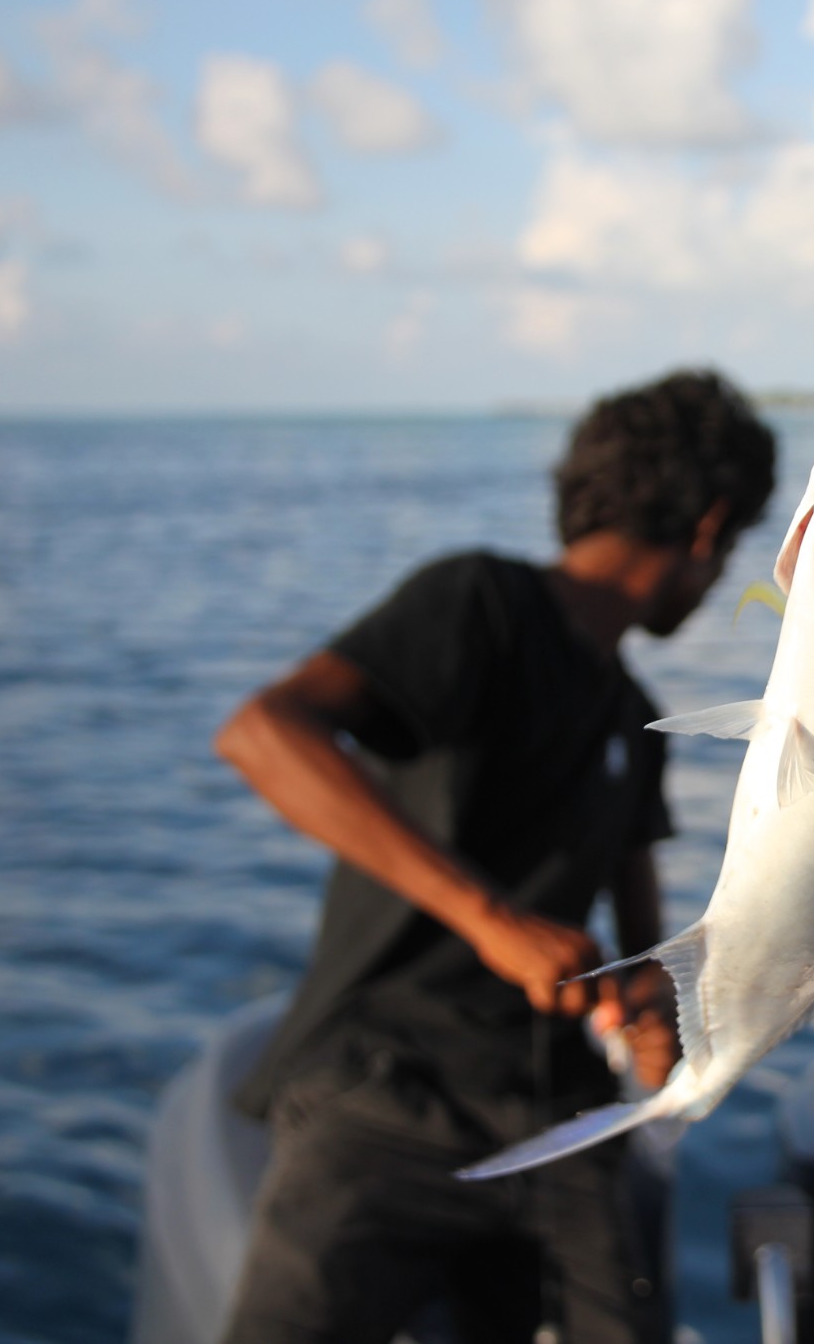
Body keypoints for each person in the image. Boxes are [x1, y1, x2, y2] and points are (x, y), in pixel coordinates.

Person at [211, 370, 776, 1344]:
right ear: (706, 529)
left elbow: (647, 965)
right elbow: (264, 731)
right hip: (383, 1091)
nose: (722, 570)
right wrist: (491, 921)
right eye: (732, 549)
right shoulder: (479, 602)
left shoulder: (634, 721)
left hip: (558, 1119)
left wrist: (654, 1018)